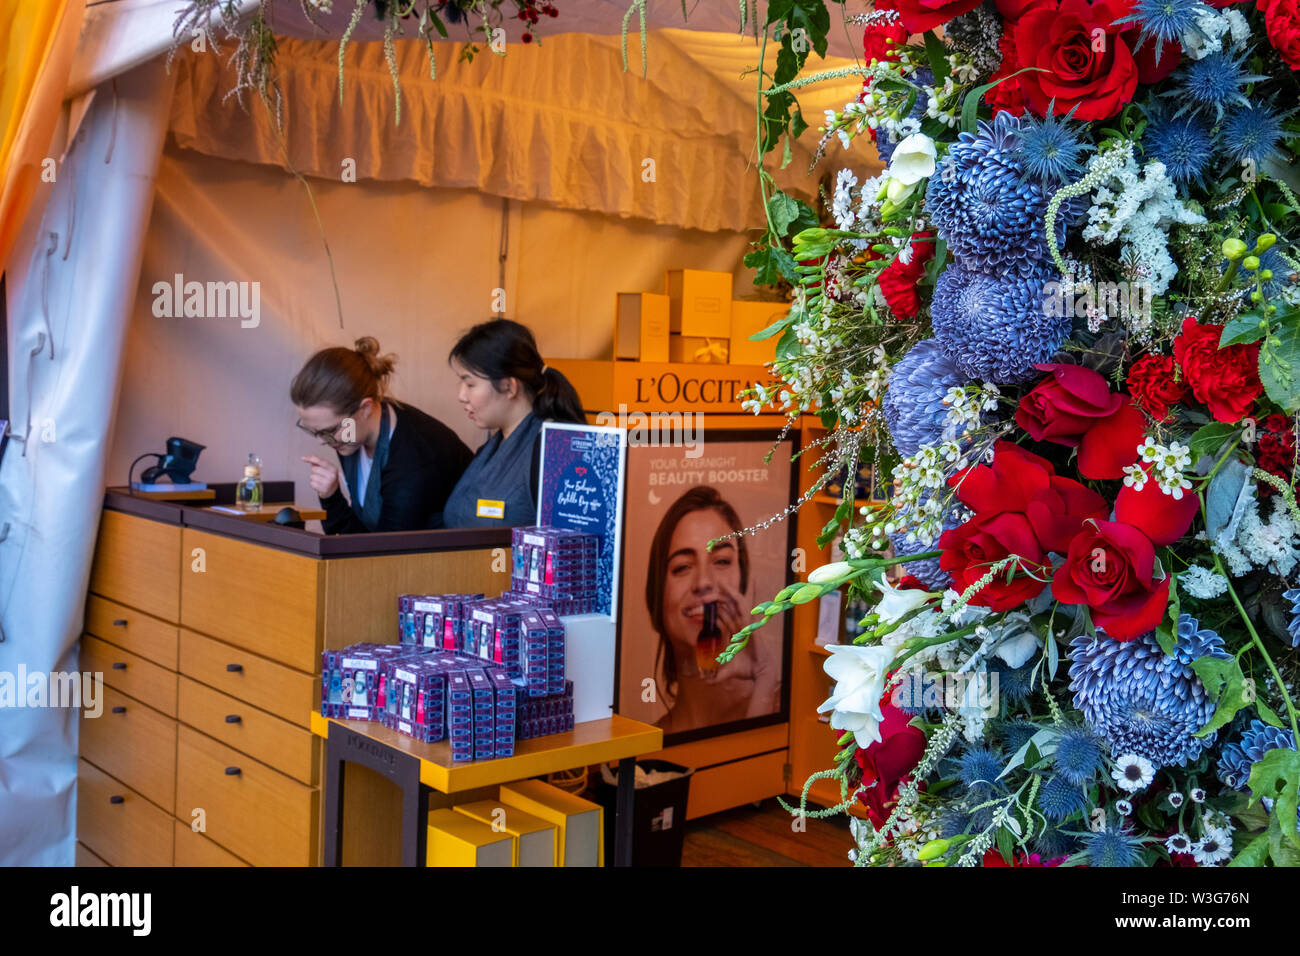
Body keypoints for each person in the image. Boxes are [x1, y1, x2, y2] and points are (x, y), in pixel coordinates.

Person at [292, 337, 473, 534]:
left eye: (329, 430)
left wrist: (333, 500)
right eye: (315, 432)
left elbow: (385, 552)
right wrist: (330, 495)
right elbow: (359, 542)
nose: (322, 441)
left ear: (365, 408)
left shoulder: (413, 456)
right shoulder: (351, 437)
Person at [644, 486, 782, 735]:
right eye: (683, 566)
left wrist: (765, 678)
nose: (704, 582)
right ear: (657, 594)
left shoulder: (779, 706)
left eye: (721, 561)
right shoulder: (646, 749)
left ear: (742, 579)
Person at [441, 319, 586, 527]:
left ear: (509, 387)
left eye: (470, 383)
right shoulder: (490, 449)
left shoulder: (555, 453)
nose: (461, 396)